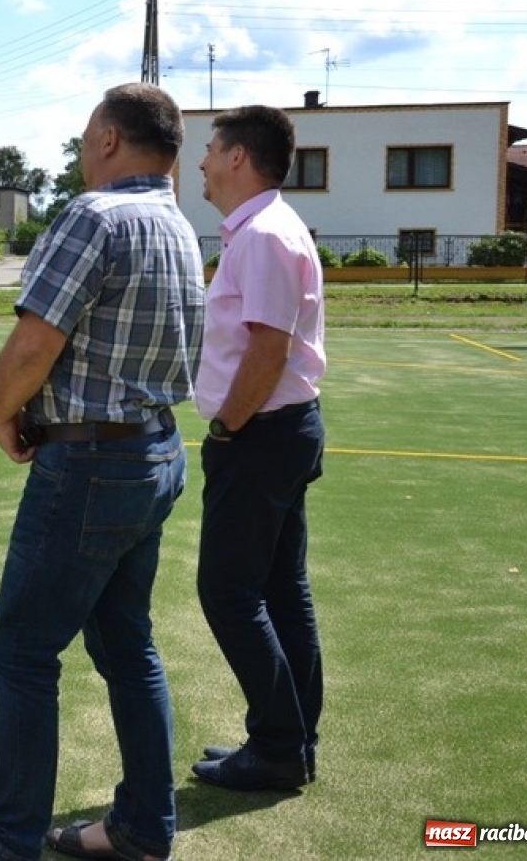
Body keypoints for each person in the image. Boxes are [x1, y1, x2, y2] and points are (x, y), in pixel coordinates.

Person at [0, 83, 202, 861]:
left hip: (92, 459)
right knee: (125, 644)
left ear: (109, 138)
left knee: (23, 652)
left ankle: (6, 842)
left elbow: (35, 343)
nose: (78, 150)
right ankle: (143, 827)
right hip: (154, 450)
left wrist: (3, 412)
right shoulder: (176, 223)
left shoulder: (93, 215)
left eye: (82, 136)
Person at [189, 104, 326, 792]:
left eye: (211, 148)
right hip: (275, 432)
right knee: (277, 589)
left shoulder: (263, 235)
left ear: (239, 156)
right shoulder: (263, 229)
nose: (203, 162)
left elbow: (266, 347)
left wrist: (225, 427)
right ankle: (289, 740)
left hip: (259, 435)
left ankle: (277, 745)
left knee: (227, 588)